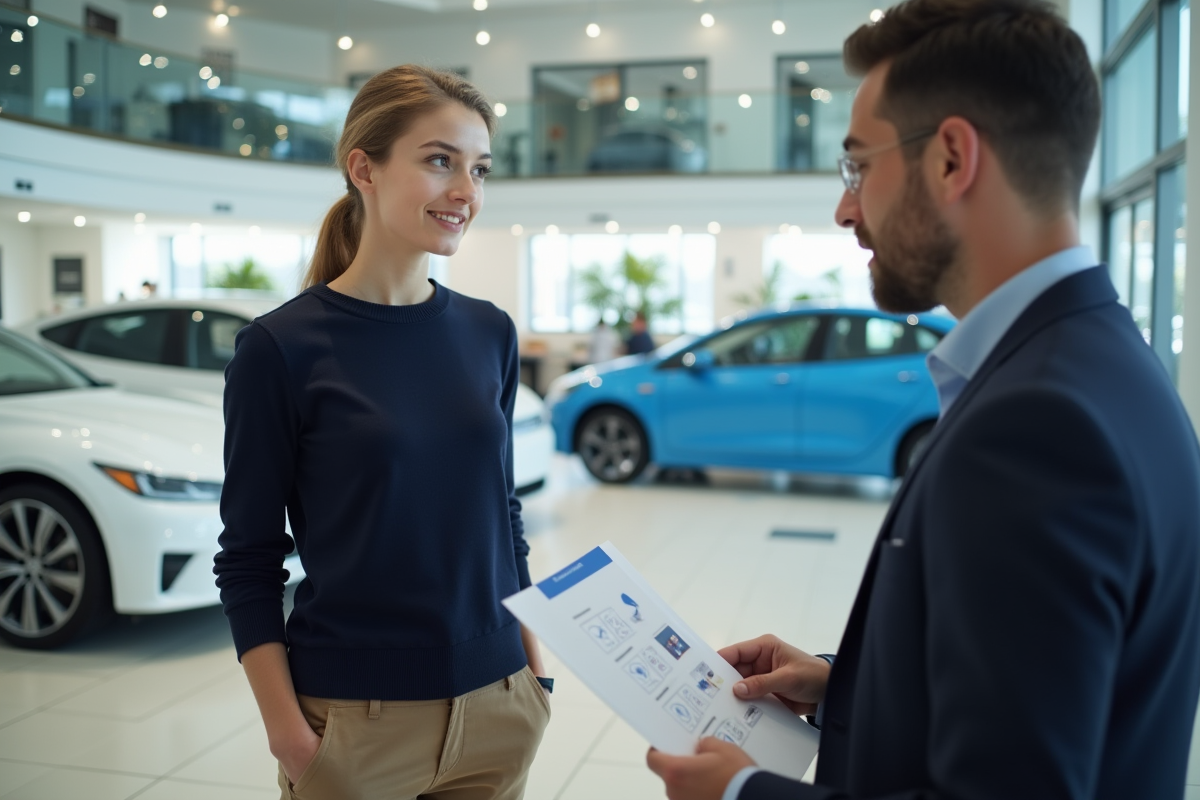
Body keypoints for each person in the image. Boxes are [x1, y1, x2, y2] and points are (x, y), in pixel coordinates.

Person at [646, 1, 1200, 799]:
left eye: (858, 166)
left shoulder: (1038, 425)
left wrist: (741, 795)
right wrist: (845, 687)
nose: (845, 208)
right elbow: (1037, 702)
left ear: (950, 159)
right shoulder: (1103, 364)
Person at [214, 65, 551, 800]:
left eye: (479, 169)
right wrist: (293, 739)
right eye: (440, 161)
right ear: (362, 168)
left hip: (500, 706)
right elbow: (248, 559)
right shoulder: (280, 349)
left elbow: (503, 515)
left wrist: (534, 667)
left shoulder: (488, 332)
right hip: (353, 726)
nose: (466, 191)